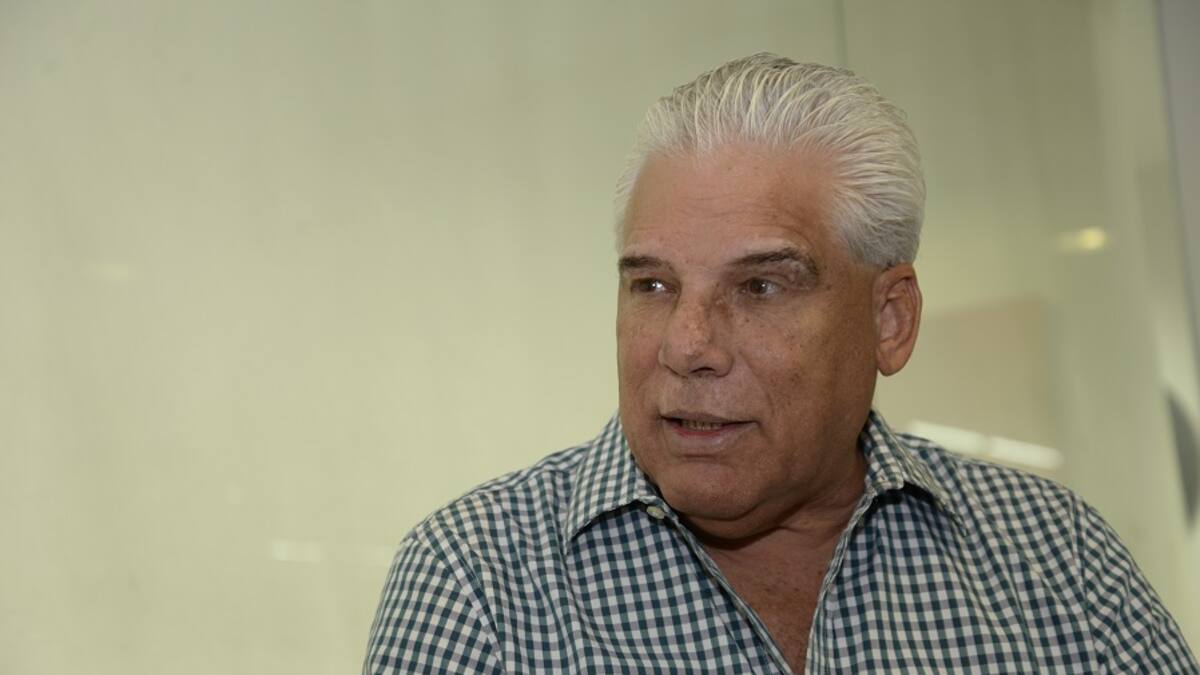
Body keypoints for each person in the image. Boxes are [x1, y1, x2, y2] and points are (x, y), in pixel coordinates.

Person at [364, 53, 1198, 674]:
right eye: (653, 285)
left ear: (890, 319)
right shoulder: (479, 582)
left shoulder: (1059, 561)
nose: (687, 344)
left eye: (760, 286)